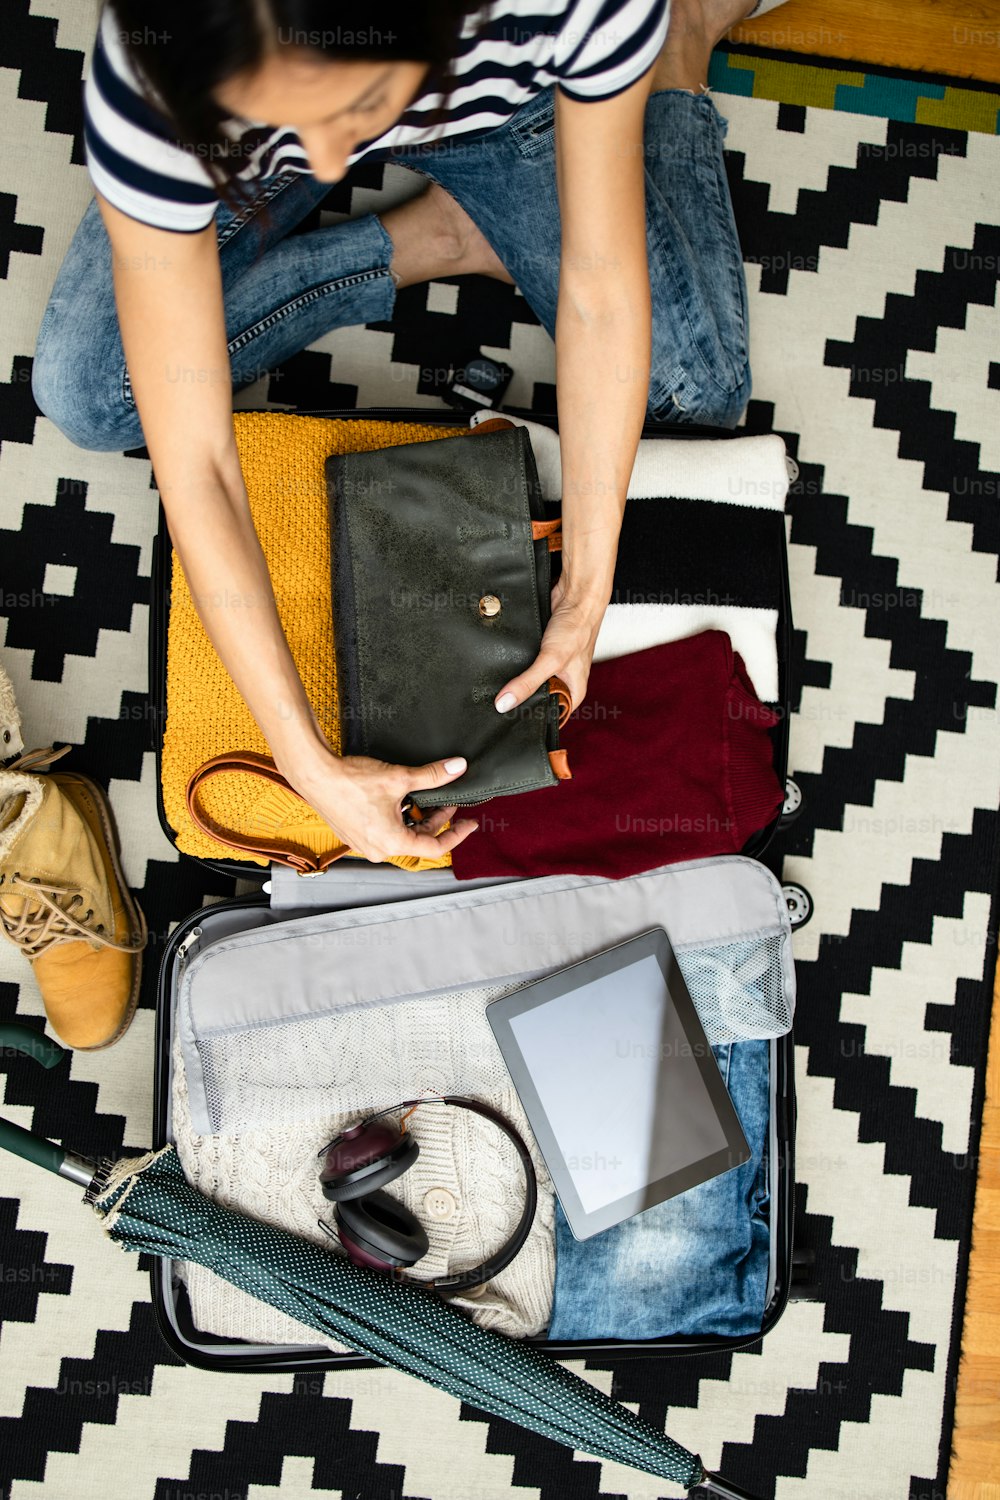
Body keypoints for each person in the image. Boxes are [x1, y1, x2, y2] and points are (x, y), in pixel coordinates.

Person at [33, 0, 777, 867]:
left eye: (348, 111)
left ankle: (675, 45)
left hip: (507, 107)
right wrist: (305, 762)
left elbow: (601, 293)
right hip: (262, 114)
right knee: (89, 394)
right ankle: (431, 238)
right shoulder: (154, 61)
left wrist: (585, 595)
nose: (325, 162)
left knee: (692, 397)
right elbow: (199, 462)